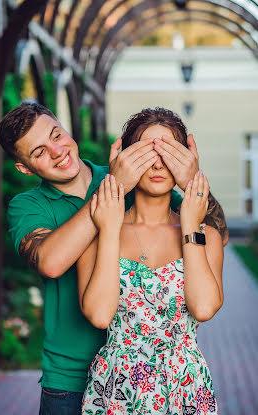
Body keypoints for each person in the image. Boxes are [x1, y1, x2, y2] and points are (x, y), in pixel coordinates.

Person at [0, 103, 227, 415]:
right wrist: (113, 189)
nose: (56, 151)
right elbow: (50, 262)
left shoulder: (135, 179)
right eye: (38, 152)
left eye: (56, 135)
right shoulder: (32, 204)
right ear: (24, 168)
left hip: (175, 381)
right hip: (72, 376)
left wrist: (192, 180)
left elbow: (210, 231)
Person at [79, 108, 223, 415]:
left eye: (169, 151)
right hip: (117, 387)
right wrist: (108, 228)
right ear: (124, 158)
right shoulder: (99, 232)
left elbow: (204, 308)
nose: (158, 163)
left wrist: (189, 223)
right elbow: (100, 315)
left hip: (185, 386)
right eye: (146, 152)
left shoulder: (205, 234)